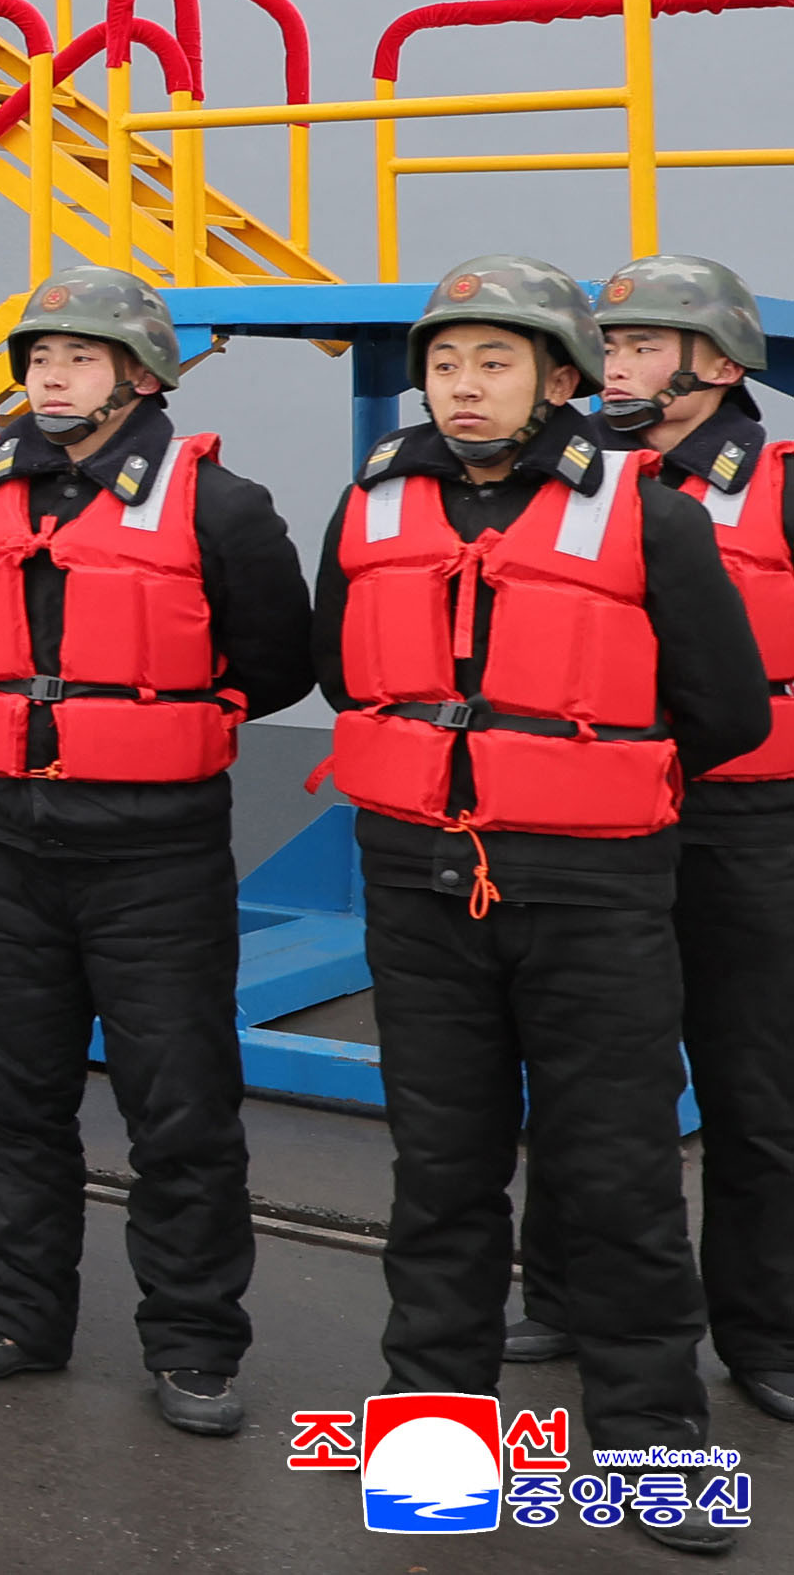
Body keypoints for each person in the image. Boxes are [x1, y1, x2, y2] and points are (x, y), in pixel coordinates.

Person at [315, 252, 765, 1511]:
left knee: (618, 1176)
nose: (464, 385)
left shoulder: (652, 514)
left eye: (496, 362)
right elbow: (345, 671)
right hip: (421, 888)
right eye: (446, 363)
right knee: (440, 1176)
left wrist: (578, 775)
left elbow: (725, 712)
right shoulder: (371, 507)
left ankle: (652, 1447)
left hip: (593, 894)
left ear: (560, 381)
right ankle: (433, 1462)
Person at [0, 267, 313, 1440]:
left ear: (140, 377)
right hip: (3, 837)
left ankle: (193, 1343)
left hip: (153, 851)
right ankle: (18, 1317)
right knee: (6, 1093)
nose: (50, 377)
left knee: (179, 1105)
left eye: (79, 358)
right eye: (39, 357)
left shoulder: (219, 505)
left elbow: (277, 661)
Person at [509, 253, 794, 1420]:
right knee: (583, 1075)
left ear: (717, 365)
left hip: (745, 822)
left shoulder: (778, 486)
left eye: (638, 347)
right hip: (598, 815)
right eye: (608, 346)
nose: (611, 366)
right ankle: (562, 1295)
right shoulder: (573, 479)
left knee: (754, 1088)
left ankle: (768, 1331)